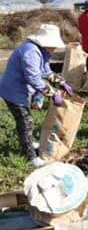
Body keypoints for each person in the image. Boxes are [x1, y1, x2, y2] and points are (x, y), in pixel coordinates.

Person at [0, 24, 73, 167]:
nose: (55, 48)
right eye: (53, 45)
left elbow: (46, 72)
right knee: (25, 122)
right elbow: (33, 78)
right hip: (12, 91)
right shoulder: (30, 52)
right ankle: (31, 157)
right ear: (45, 42)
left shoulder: (42, 52)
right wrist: (52, 94)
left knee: (26, 121)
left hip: (20, 89)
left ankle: (29, 143)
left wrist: (61, 83)